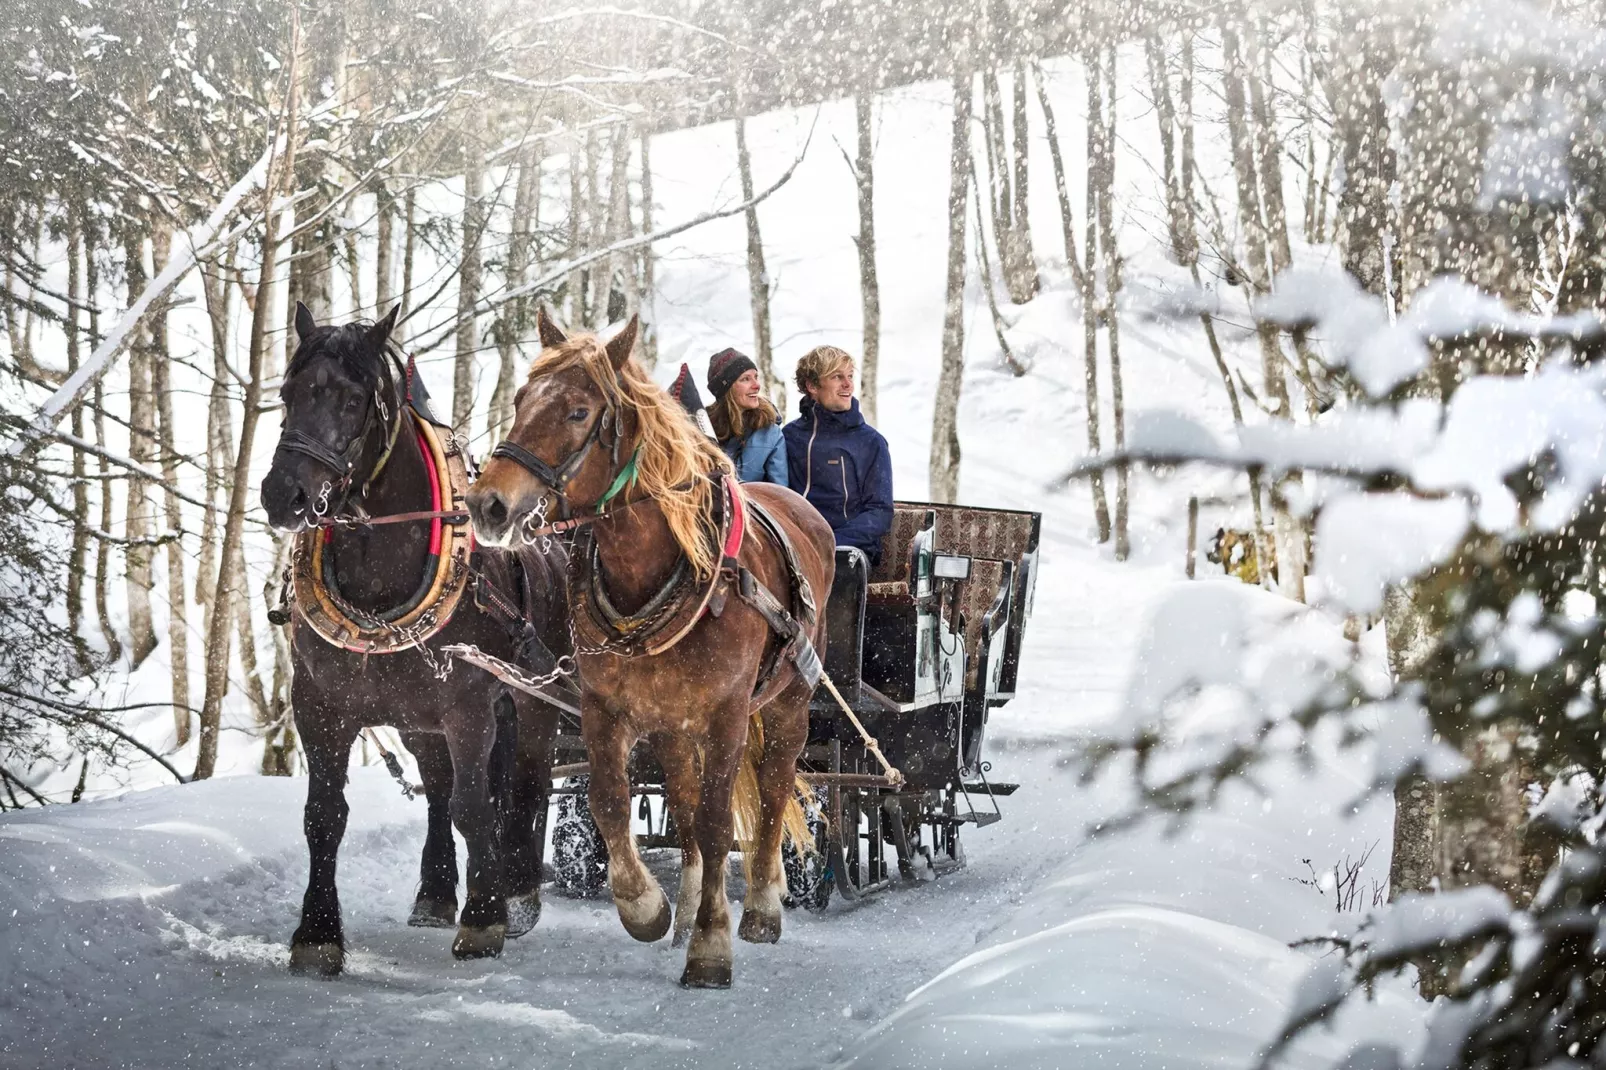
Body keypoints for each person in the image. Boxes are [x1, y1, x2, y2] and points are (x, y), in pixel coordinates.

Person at [783, 345, 892, 566]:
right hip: (793, 545)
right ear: (812, 385)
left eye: (850, 376)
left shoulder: (870, 442)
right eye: (837, 376)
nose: (848, 384)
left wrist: (833, 543)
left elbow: (879, 511)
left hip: (847, 552)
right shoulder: (789, 436)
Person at [705, 348, 788, 485]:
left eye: (756, 377)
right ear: (726, 388)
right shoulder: (704, 431)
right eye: (745, 379)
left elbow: (780, 494)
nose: (756, 385)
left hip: (754, 505)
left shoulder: (770, 432)